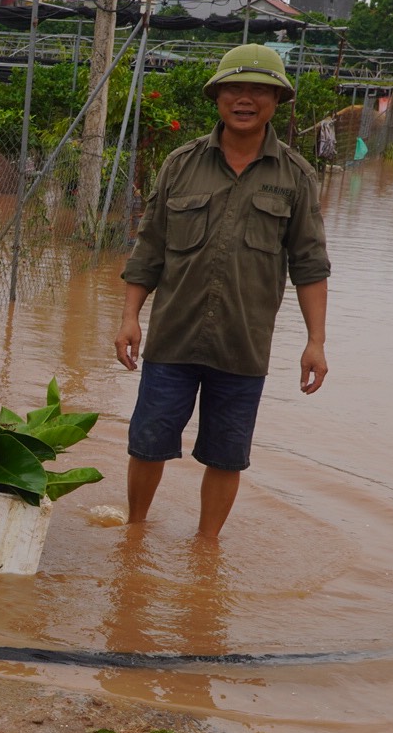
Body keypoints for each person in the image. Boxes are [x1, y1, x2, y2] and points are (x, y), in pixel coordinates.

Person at [112, 43, 330, 540]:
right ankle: (134, 535)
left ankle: (205, 550)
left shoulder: (295, 177)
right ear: (217, 96)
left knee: (227, 453)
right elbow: (149, 249)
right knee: (147, 443)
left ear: (277, 100)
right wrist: (130, 317)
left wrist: (315, 341)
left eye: (259, 89)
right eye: (235, 87)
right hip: (172, 339)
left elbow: (310, 265)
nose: (245, 98)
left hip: (243, 344)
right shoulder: (181, 164)